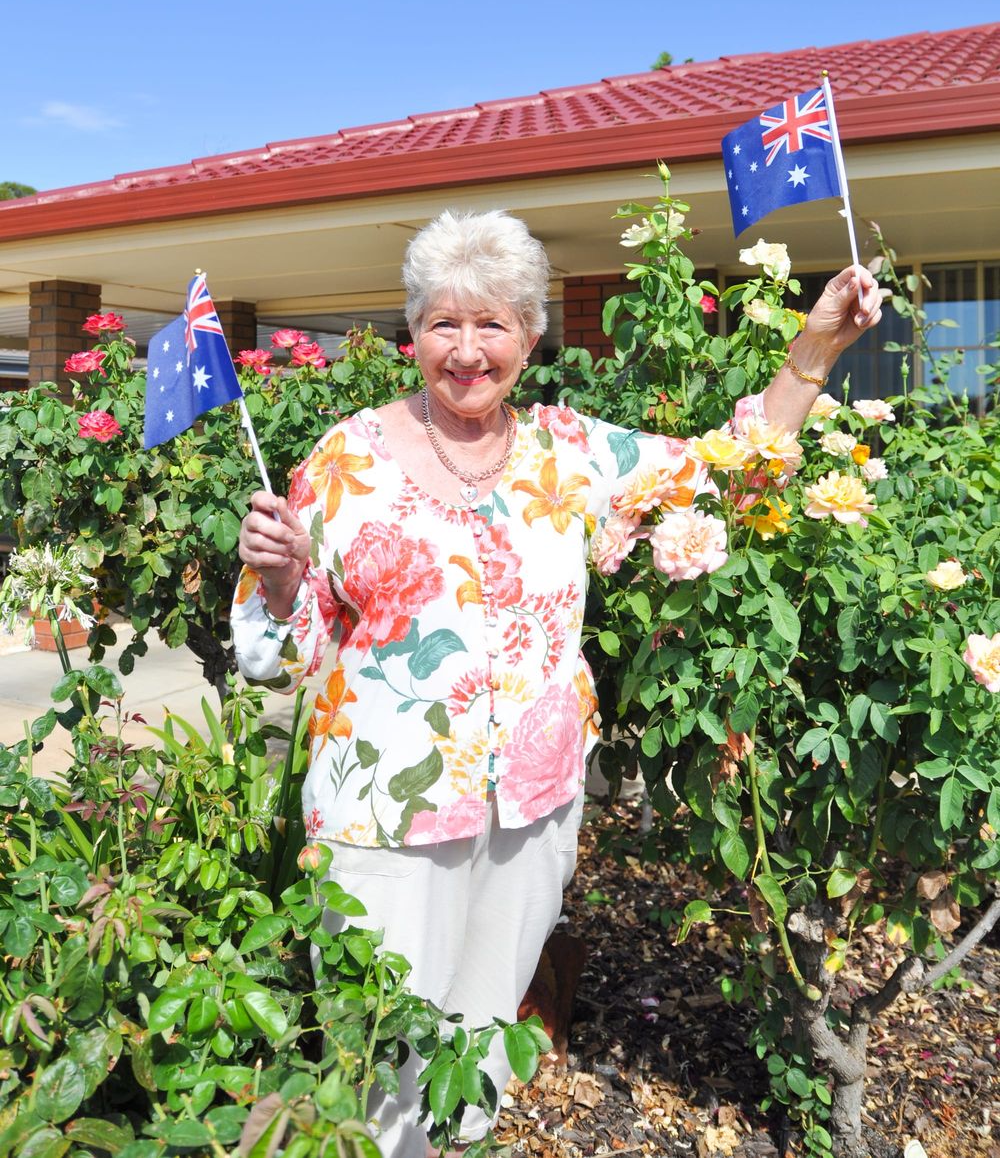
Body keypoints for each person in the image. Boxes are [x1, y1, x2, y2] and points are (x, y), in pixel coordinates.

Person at [233, 209, 883, 1157]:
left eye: (491, 324)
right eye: (442, 324)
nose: (466, 350)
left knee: (480, 1038)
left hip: (530, 809)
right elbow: (271, 653)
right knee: (375, 1050)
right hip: (383, 815)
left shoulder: (566, 452)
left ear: (531, 337)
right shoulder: (346, 460)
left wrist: (816, 345)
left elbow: (725, 470)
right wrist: (283, 577)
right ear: (410, 334)